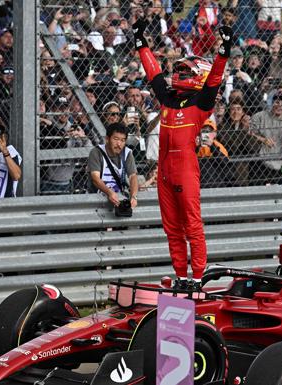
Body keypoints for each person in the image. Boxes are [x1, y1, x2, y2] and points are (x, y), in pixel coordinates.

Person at [133, 18, 233, 290]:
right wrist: (141, 44)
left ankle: (198, 278)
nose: (178, 74)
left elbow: (214, 79)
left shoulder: (202, 103)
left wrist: (223, 52)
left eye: (184, 71)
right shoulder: (167, 98)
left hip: (186, 171)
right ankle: (180, 276)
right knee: (171, 228)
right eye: (178, 70)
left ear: (196, 75)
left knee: (191, 225)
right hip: (164, 172)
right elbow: (153, 73)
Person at [87, 123, 139, 209]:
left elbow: (133, 176)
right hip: (97, 199)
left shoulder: (127, 153)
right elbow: (95, 178)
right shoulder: (96, 152)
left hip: (118, 198)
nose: (119, 144)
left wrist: (133, 196)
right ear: (107, 139)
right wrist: (109, 192)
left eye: (123, 140)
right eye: (116, 139)